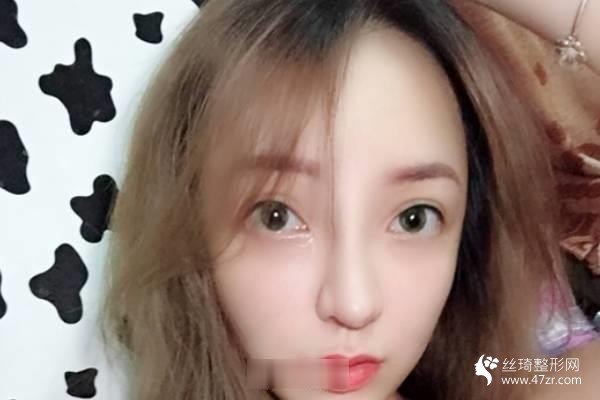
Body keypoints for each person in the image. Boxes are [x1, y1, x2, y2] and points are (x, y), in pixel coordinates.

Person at [99, 1, 585, 399]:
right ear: (189, 222)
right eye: (277, 216)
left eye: (414, 218)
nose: (354, 304)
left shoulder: (506, 374)